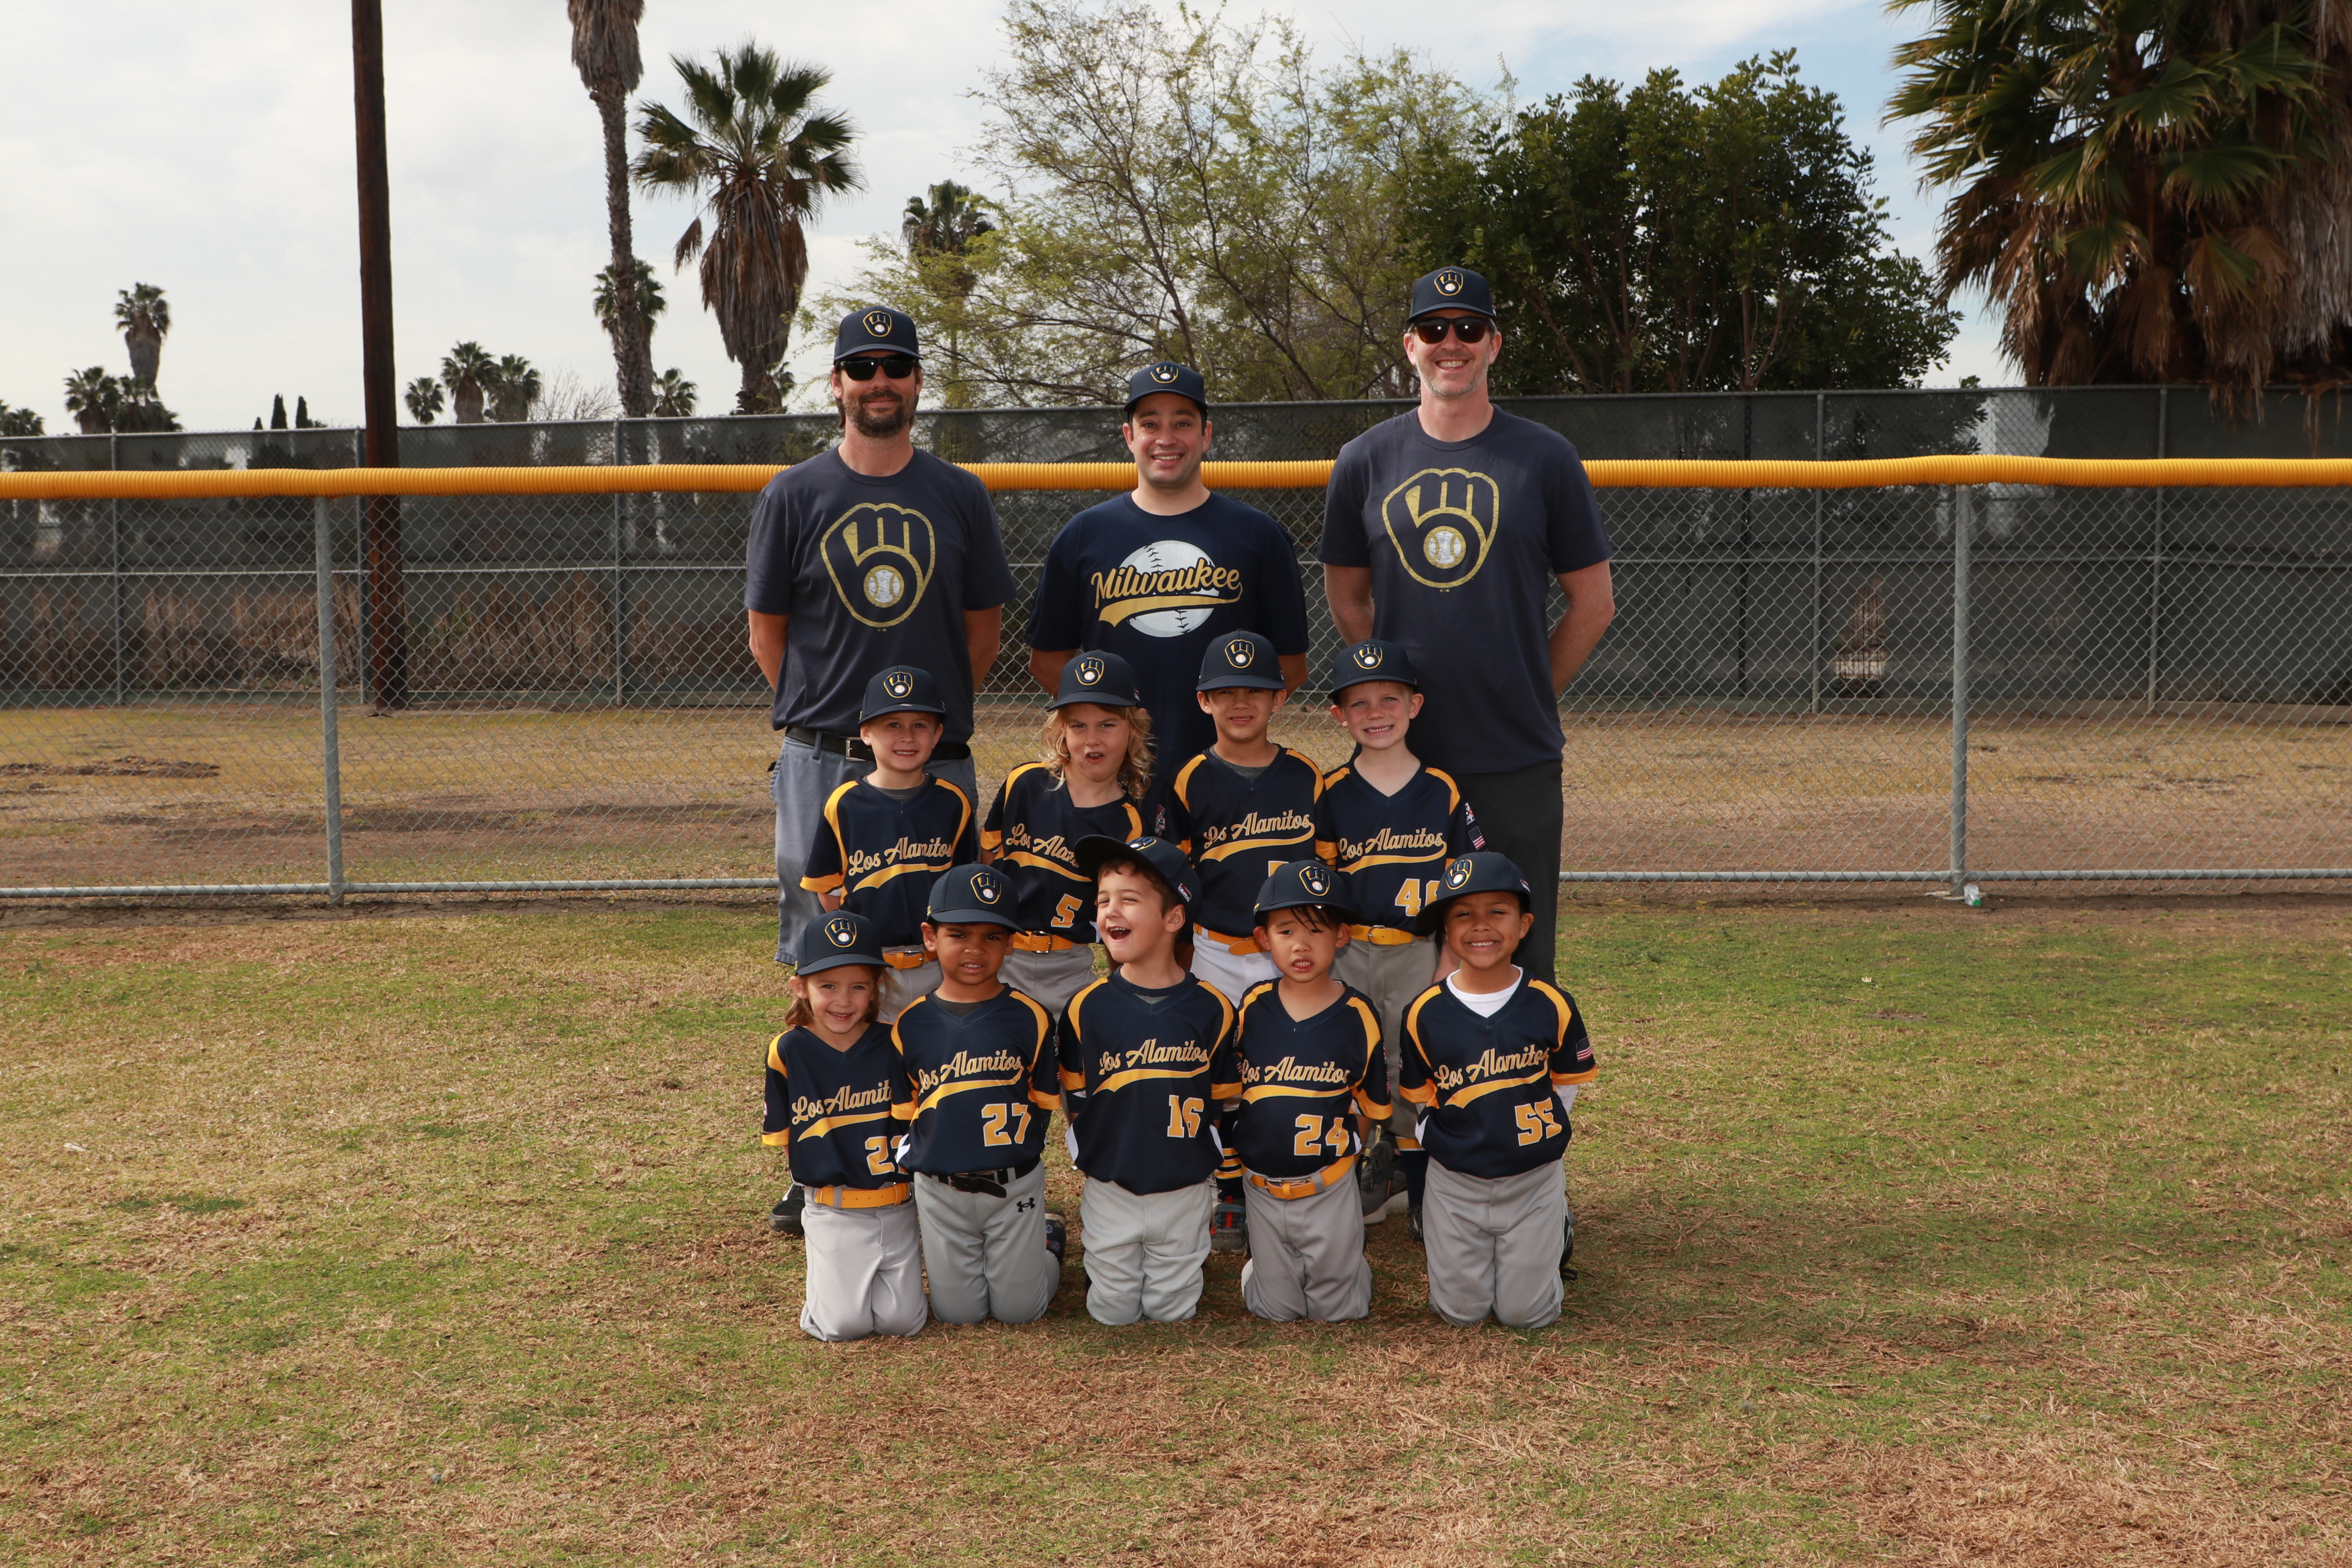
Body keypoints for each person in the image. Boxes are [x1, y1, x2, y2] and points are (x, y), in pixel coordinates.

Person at [1318, 267, 1615, 985]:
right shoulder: (1364, 460)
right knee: (1400, 949)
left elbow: (1594, 602)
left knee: (1516, 952)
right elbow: (1348, 599)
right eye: (1433, 329)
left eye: (1469, 328)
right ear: (1409, 346)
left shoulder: (1545, 456)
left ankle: (1524, 1065)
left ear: (1493, 344)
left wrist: (1530, 689)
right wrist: (1389, 700)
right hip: (1403, 759)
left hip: (1515, 754)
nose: (1450, 342)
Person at [747, 305, 1014, 961]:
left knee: (946, 938)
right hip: (825, 756)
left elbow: (983, 639)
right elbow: (766, 637)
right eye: (862, 367)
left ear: (918, 380)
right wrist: (832, 713)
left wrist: (922, 722)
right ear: (837, 382)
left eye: (895, 366)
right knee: (825, 953)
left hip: (935, 758)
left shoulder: (962, 494)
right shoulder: (792, 494)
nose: (879, 380)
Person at [1027, 361, 1310, 790]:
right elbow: (1048, 661)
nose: (1166, 438)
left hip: (1228, 771)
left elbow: (1290, 664)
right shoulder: (1084, 535)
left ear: (1206, 435)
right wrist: (1108, 722)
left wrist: (1236, 724)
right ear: (1129, 437)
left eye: (1182, 422)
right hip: (1118, 773)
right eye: (1150, 424)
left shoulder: (1258, 535)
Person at [1312, 639, 1484, 1234]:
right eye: (1358, 703)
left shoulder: (1441, 788)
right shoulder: (1331, 790)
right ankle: (1352, 1173)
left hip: (1417, 951)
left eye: (1389, 698)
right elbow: (1321, 883)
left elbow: (1463, 885)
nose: (1375, 713)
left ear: (1415, 705)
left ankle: (1420, 1187)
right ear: (1339, 715)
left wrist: (1450, 955)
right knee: (1349, 1061)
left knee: (1414, 1063)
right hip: (1349, 949)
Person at [1399, 853, 1598, 1331]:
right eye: (1462, 914)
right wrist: (1449, 1139)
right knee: (1460, 1313)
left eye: (1497, 911)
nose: (1480, 926)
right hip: (1455, 1181)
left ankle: (1555, 1230)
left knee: (1527, 1315)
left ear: (1524, 924)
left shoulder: (1551, 1003)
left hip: (1532, 1178)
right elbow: (1420, 1096)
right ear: (1446, 931)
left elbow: (1564, 1087)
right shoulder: (1424, 1011)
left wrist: (1530, 1139)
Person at [1058, 834, 1242, 1326]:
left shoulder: (1214, 1008)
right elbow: (1076, 1097)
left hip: (1185, 1186)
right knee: (1112, 1313)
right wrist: (1098, 1152)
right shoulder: (1086, 1006)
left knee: (1171, 1312)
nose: (1110, 911)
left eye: (1129, 899)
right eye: (1103, 900)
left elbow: (1221, 1103)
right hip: (1111, 1185)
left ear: (1174, 918)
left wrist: (1204, 1161)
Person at [889, 864, 1067, 1326]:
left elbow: (1042, 1105)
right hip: (941, 1189)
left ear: (1011, 943)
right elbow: (906, 1116)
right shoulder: (910, 1024)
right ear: (930, 937)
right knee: (958, 1314)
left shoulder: (1031, 1016)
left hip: (1014, 1184)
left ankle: (1048, 1246)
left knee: (1020, 1312)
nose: (975, 949)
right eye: (959, 934)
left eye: (992, 937)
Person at [1224, 860, 1390, 1322]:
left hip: (1328, 1183)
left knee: (1338, 1312)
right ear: (1263, 939)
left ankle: (1351, 1267)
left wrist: (1345, 1155)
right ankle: (1263, 1270)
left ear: (1342, 936)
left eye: (1317, 930)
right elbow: (1235, 1093)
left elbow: (1368, 1103)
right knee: (1275, 1311)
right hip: (1261, 1185)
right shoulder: (1253, 1005)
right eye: (1286, 931)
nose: (1301, 944)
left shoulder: (1358, 1013)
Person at [761, 910, 926, 1342]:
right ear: (800, 986)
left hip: (896, 1205)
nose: (844, 1001)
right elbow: (790, 1140)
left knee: (902, 1323)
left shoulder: (893, 1042)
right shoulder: (788, 1051)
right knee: (844, 1327)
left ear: (876, 988)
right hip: (832, 1210)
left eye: (858, 986)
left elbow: (911, 1127)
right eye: (828, 986)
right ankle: (828, 1289)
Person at [799, 665, 981, 1014]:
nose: (907, 737)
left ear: (938, 734)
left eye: (920, 725)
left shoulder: (953, 802)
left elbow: (962, 887)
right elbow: (828, 891)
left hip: (937, 965)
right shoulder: (845, 803)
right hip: (871, 965)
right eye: (892, 725)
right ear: (866, 733)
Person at [980, 651, 1152, 1018]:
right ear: (1061, 729)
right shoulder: (1024, 784)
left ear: (1133, 729)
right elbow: (989, 860)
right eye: (1078, 726)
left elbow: (1120, 916)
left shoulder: (1129, 823)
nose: (1092, 740)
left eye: (1107, 725)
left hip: (1071, 967)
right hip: (1003, 956)